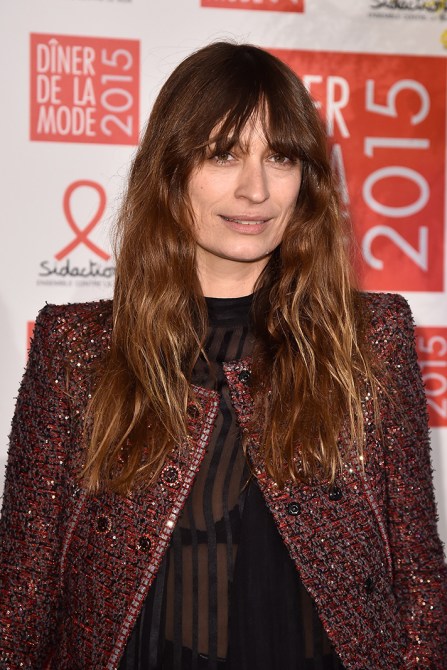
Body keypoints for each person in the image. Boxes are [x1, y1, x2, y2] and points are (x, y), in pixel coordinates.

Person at [0, 41, 446, 670]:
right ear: (170, 170)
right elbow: (22, 591)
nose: (255, 189)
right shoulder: (77, 347)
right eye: (224, 154)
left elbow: (419, 578)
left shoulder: (371, 337)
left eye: (280, 157)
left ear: (307, 179)